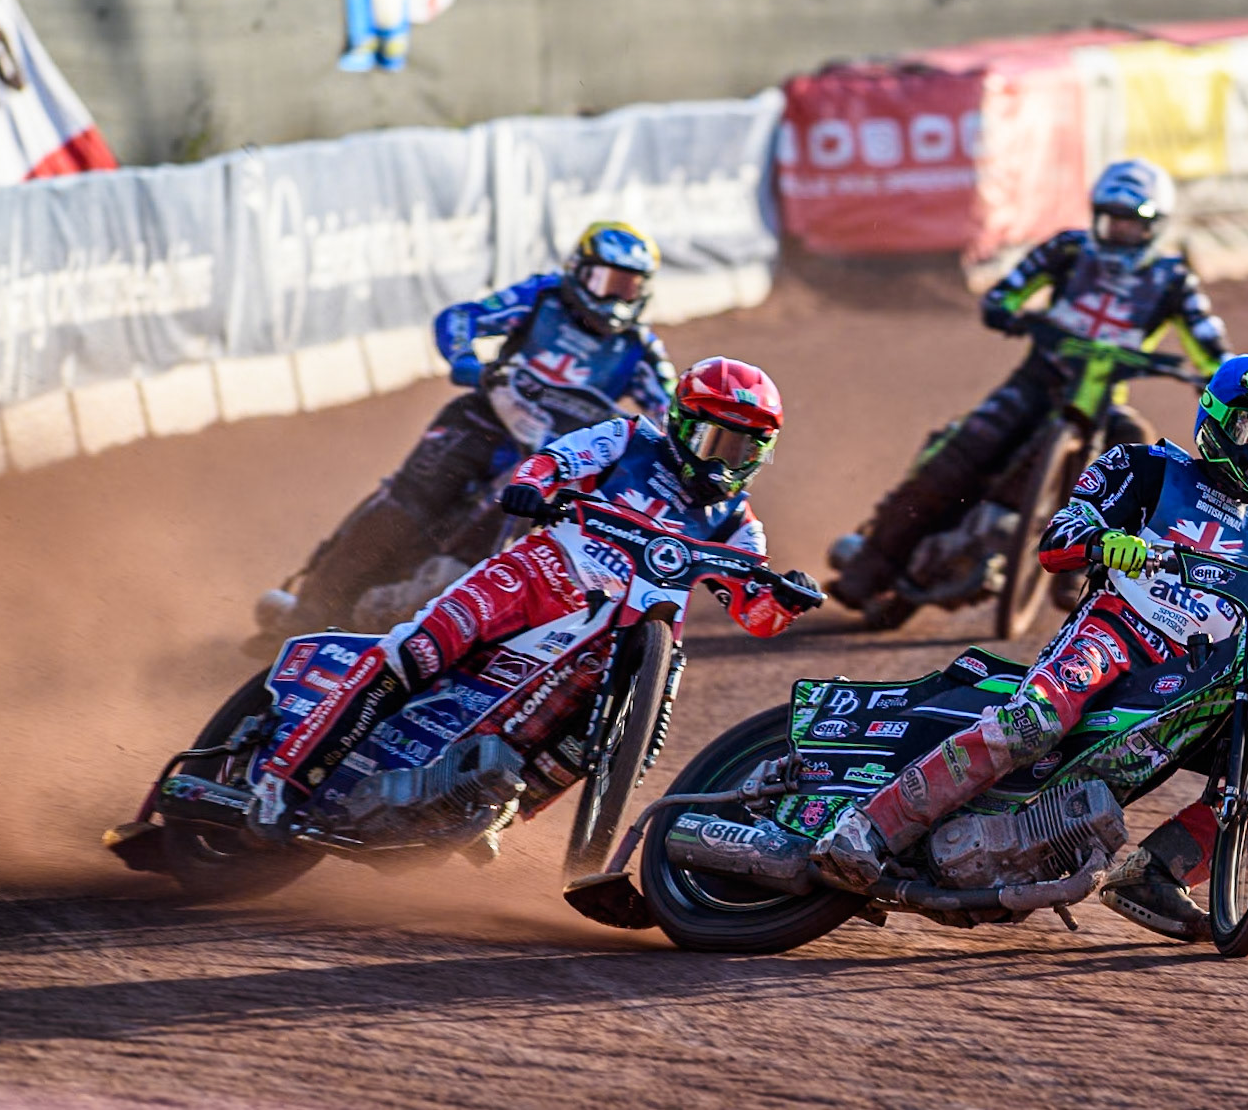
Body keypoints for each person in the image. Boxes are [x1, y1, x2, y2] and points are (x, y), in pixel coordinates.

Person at [811, 354, 1248, 941]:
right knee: (1033, 721)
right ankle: (870, 827)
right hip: (1117, 632)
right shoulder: (1144, 466)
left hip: (1207, 684)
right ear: (1217, 419)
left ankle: (1156, 872)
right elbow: (1060, 534)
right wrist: (1105, 542)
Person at [249, 357, 823, 832]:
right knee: (415, 653)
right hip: (536, 574)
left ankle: (485, 811)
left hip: (623, 634)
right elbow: (554, 461)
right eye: (718, 441)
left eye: (746, 452)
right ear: (679, 422)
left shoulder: (737, 523)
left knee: (617, 736)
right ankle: (285, 780)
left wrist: (787, 599)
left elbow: (756, 613)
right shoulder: (627, 438)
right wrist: (530, 487)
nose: (727, 463)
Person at [829, 158, 1232, 620]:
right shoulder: (1067, 249)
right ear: (1096, 215)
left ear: (1155, 227)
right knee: (961, 452)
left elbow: (1209, 342)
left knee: (1138, 458)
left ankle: (1088, 572)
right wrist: (1007, 309)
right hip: (1036, 382)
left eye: (1132, 223)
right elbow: (1007, 290)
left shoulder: (1174, 279)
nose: (1119, 231)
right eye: (1111, 219)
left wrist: (1216, 374)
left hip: (1105, 400)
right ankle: (871, 565)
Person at [256, 220, 676, 637]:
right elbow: (461, 317)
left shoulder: (640, 349)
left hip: (551, 457)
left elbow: (672, 413)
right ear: (579, 271)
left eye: (629, 287)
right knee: (407, 504)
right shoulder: (542, 297)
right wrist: (466, 361)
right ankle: (308, 611)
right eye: (607, 282)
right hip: (482, 423)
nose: (616, 297)